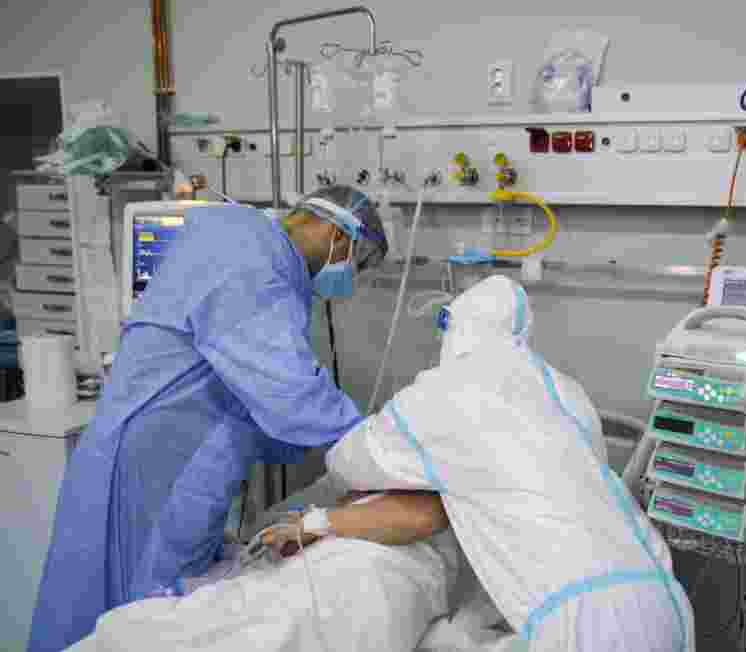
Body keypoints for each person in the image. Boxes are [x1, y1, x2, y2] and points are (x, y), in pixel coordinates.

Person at [28, 185, 390, 652]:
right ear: (339, 233)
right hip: (149, 470)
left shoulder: (254, 251)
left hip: (172, 460)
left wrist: (305, 439)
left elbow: (252, 393)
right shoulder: (250, 261)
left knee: (151, 612)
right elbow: (288, 388)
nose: (349, 279)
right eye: (356, 264)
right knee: (128, 619)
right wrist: (375, 442)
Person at [321, 274, 696, 651]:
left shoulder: (444, 392)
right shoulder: (567, 393)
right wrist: (468, 624)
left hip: (582, 626)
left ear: (453, 327)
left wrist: (319, 517)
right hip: (665, 602)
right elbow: (546, 522)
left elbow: (350, 461)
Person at [63, 486, 458, 652]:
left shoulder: (428, 491)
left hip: (373, 575)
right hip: (318, 572)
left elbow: (423, 516)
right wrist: (310, 530)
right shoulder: (361, 495)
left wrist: (315, 525)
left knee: (279, 627)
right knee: (217, 615)